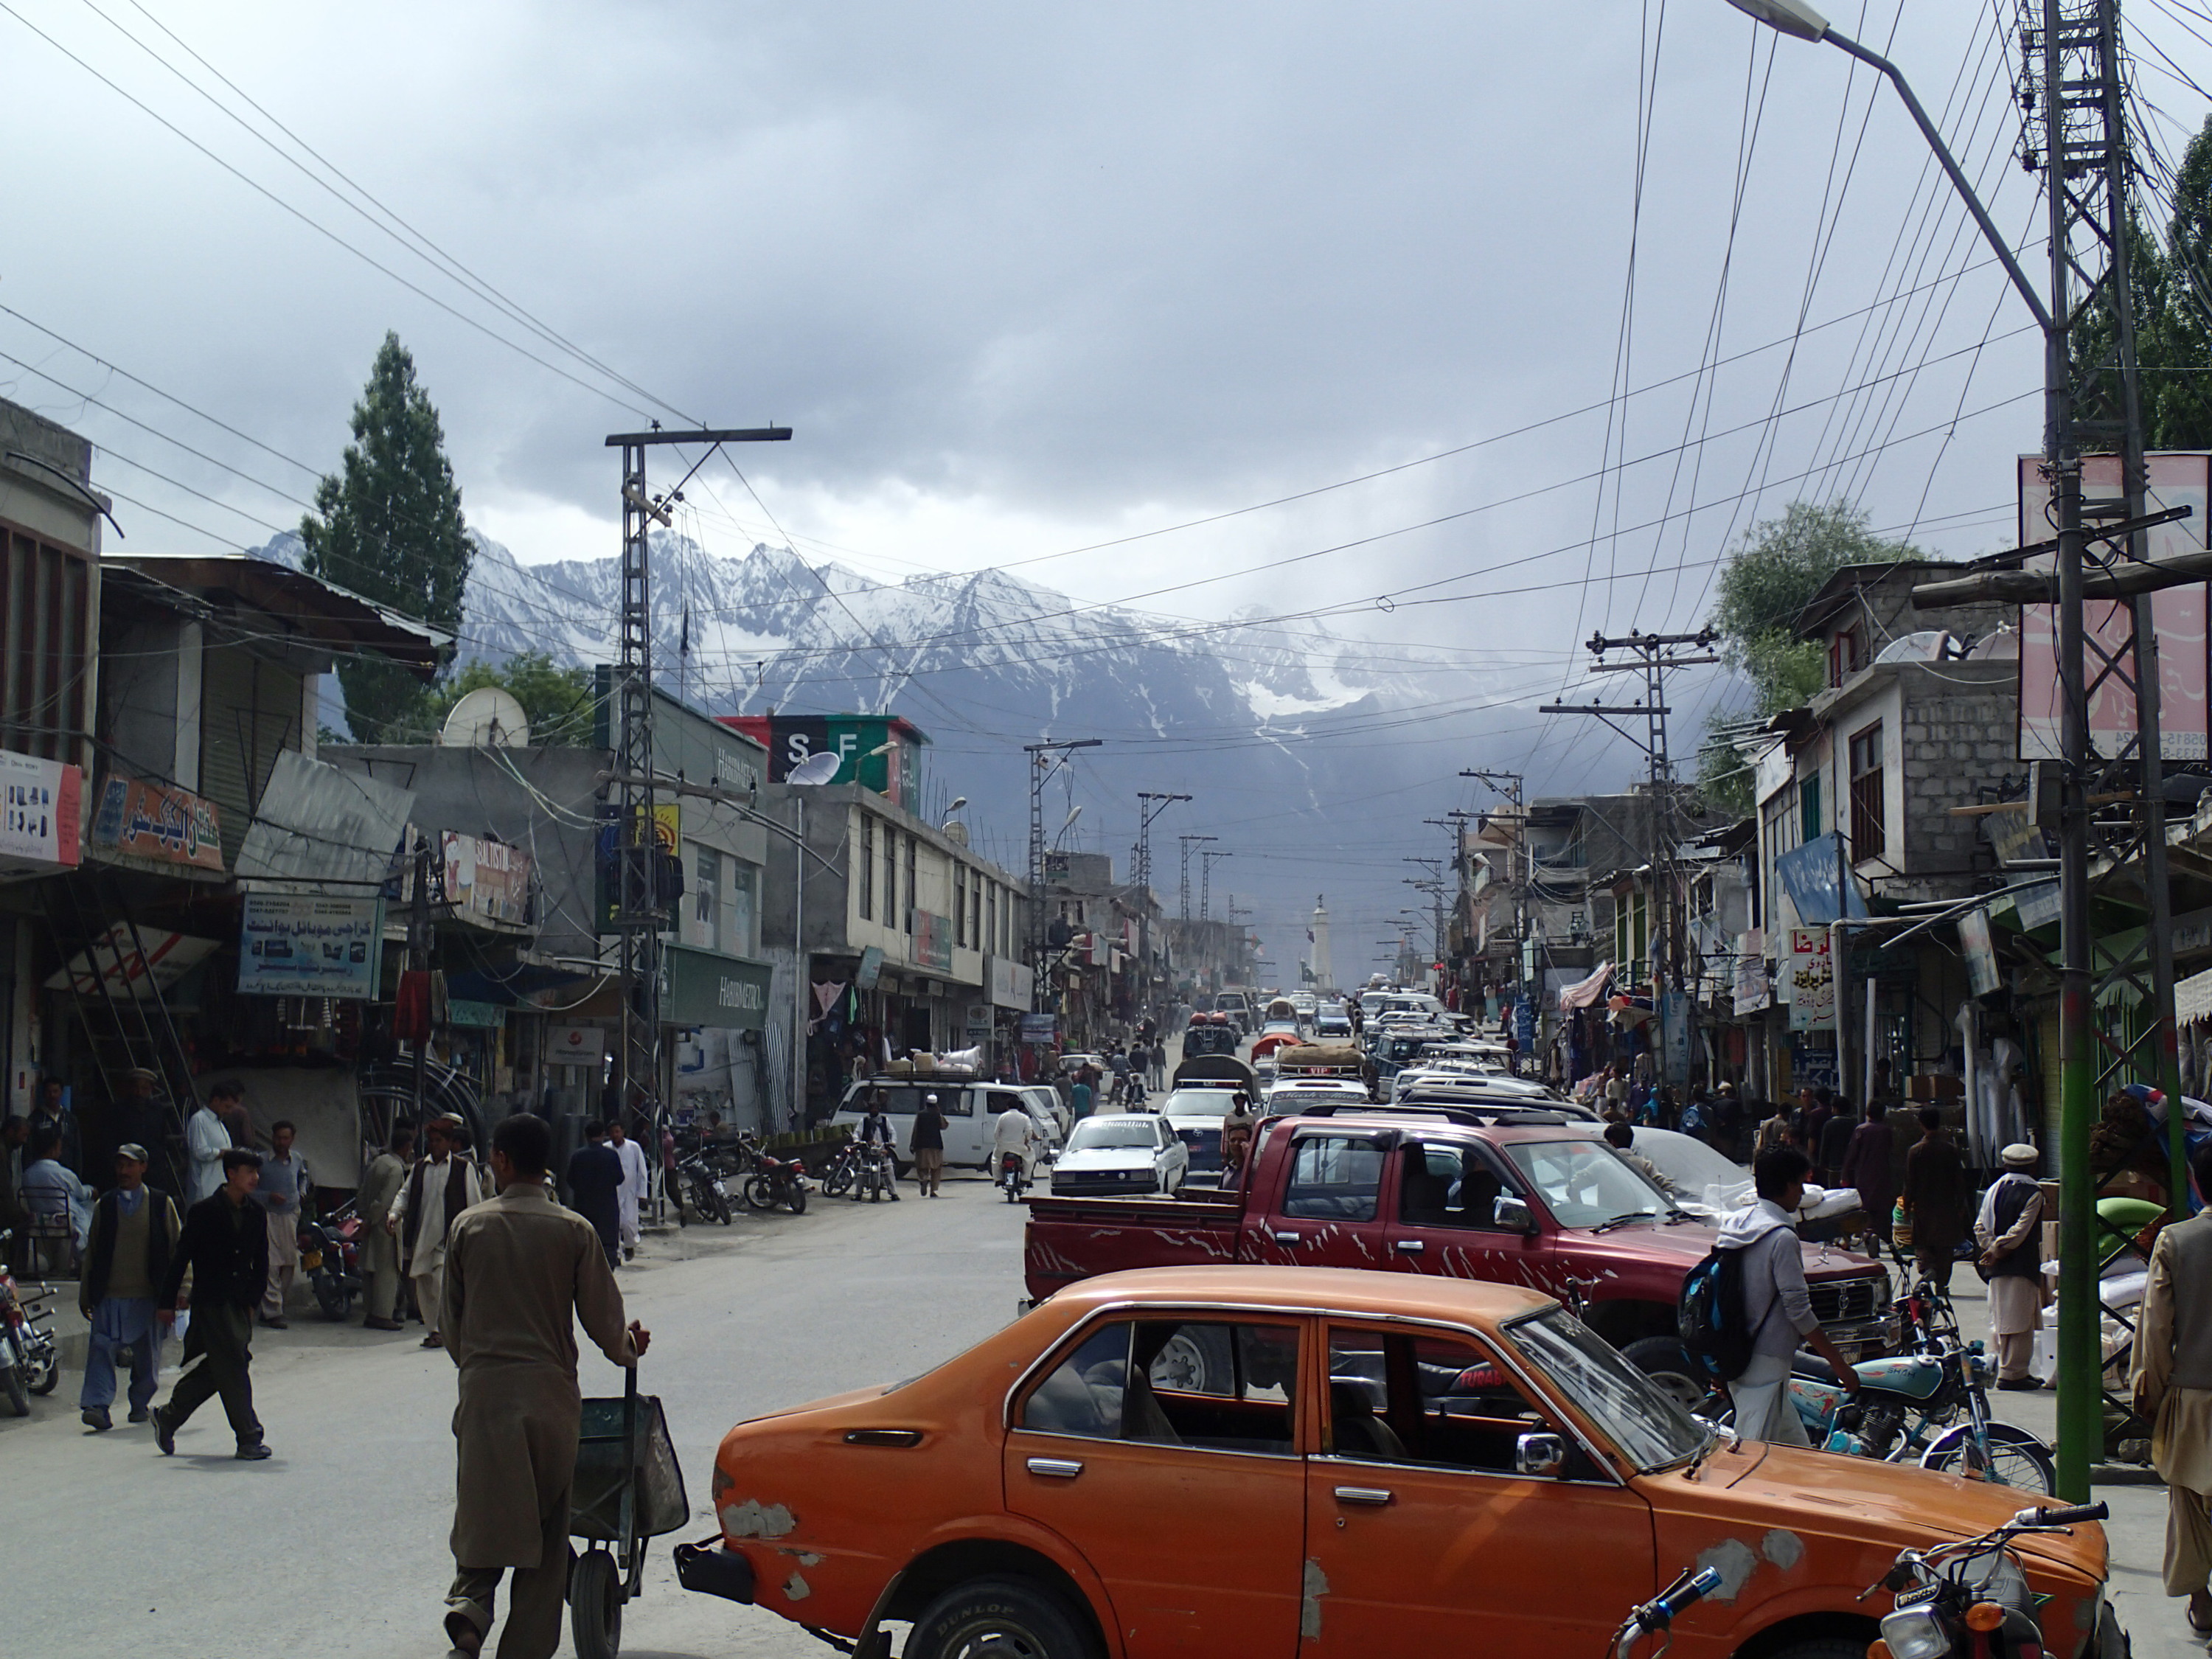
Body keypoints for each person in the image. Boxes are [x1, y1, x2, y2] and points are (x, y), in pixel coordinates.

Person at [440, 1113, 648, 1659]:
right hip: (552, 1403)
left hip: (486, 1398)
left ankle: (467, 1624)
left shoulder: (469, 1227)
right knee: (547, 1535)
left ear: (504, 1161)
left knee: (483, 1519)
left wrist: (481, 1370)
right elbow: (606, 1323)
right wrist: (628, 1348)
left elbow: (450, 1323)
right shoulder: (574, 1231)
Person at [1717, 1148, 1862, 1442]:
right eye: (1799, 1184)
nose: (1802, 1192)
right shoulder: (1781, 1238)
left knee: (1796, 1451)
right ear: (1785, 1185)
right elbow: (1798, 1310)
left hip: (1734, 1350)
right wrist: (1839, 1364)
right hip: (1767, 1360)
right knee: (1753, 1455)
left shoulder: (1736, 1225)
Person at [2131, 1144, 2212, 1635]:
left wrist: (2150, 1391)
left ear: (2197, 1183)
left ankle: (2202, 1603)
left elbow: (2156, 1329)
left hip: (2194, 1398)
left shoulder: (2177, 1242)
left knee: (2188, 1506)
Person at [153, 1147, 271, 1460]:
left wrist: (252, 1301)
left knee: (224, 1364)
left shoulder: (257, 1213)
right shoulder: (204, 1211)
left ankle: (169, 1415)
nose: (255, 1178)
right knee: (233, 1362)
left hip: (239, 1302)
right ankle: (249, 1437)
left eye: (256, 1173)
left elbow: (261, 1262)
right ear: (231, 1174)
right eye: (249, 1172)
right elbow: (181, 1258)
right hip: (211, 1302)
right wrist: (167, 1301)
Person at [78, 1142, 181, 1431]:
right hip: (110, 1294)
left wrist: (182, 1289)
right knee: (101, 1347)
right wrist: (86, 1294)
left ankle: (139, 1403)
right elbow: (93, 1253)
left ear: (143, 1168)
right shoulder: (106, 1205)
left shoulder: (161, 1204)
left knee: (147, 1356)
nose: (124, 1171)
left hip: (148, 1295)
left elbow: (178, 1249)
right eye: (120, 1165)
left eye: (130, 1165)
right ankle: (97, 1406)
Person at [392, 1116, 484, 1349]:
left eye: (438, 1140)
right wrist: (394, 1214)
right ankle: (433, 1330)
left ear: (449, 1142)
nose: (434, 1145)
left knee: (440, 1285)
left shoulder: (464, 1169)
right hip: (422, 1237)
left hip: (448, 1239)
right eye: (431, 1140)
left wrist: (473, 1236)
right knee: (424, 1286)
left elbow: (474, 1203)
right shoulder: (420, 1167)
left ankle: (443, 1330)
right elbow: (405, 1194)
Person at [1975, 1141, 2046, 1391]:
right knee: (2018, 1321)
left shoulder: (1994, 1190)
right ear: (2033, 1166)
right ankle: (2012, 1374)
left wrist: (1991, 1248)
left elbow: (1980, 1226)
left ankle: (2014, 1370)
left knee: (2004, 1318)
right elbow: (2020, 1231)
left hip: (1997, 1266)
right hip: (2020, 1264)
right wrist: (1998, 1249)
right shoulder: (2034, 1193)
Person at [1901, 1106, 1969, 1291]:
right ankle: (1942, 1284)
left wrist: (1907, 1207)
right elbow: (1959, 1180)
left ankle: (1928, 1268)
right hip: (1946, 1206)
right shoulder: (1950, 1150)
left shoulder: (1916, 1151)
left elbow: (1910, 1182)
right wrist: (1961, 1204)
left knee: (1923, 1243)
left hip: (1923, 1207)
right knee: (1946, 1249)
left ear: (1921, 1124)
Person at [255, 1119, 311, 1329]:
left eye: (285, 1138)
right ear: (273, 1138)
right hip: (268, 1216)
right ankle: (273, 1313)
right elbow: (249, 1189)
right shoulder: (261, 1161)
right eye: (278, 1137)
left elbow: (303, 1177)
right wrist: (268, 1196)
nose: (281, 1141)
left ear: (292, 1139)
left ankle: (276, 1306)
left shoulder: (296, 1159)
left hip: (290, 1217)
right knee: (270, 1264)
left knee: (289, 1262)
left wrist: (301, 1194)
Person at [358, 1124, 414, 1330]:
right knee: (387, 1272)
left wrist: (364, 1217)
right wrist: (371, 1220)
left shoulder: (378, 1162)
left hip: (372, 1222)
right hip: (386, 1224)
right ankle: (382, 1315)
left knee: (371, 1269)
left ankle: (372, 1312)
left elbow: (363, 1193)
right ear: (407, 1147)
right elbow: (385, 1201)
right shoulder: (395, 1169)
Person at [20, 1124, 93, 1262]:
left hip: (39, 1222)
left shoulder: (27, 1174)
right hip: (66, 1221)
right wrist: (91, 1190)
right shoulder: (63, 1173)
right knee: (90, 1208)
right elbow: (81, 1193)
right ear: (53, 1149)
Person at [1840, 1099, 1896, 1253]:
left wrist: (1845, 1174)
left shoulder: (1861, 1130)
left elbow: (1852, 1155)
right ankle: (1877, 1234)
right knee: (1881, 1209)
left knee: (1865, 1208)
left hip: (1863, 1176)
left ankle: (1868, 1233)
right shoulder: (1887, 1131)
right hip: (1883, 1175)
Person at [565, 1122, 624, 1267]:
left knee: (585, 1244)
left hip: (584, 1207)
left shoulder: (578, 1156)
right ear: (603, 1135)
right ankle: (608, 1273)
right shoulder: (611, 1155)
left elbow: (570, 1180)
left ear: (586, 1136)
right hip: (607, 1208)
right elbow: (620, 1179)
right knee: (607, 1245)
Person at [606, 1115, 650, 1261]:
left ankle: (630, 1246)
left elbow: (642, 1171)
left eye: (617, 1132)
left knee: (629, 1223)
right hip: (611, 1192)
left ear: (623, 1132)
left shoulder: (634, 1147)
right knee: (614, 1224)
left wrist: (642, 1193)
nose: (615, 1135)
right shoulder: (606, 1148)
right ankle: (617, 1254)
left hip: (630, 1192)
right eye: (612, 1132)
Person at [185, 1085, 234, 1206]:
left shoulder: (220, 1124)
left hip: (219, 1186)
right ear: (216, 1100)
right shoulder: (199, 1119)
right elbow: (199, 1151)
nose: (229, 1111)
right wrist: (224, 1153)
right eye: (227, 1106)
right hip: (203, 1189)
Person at [1603, 1120, 1676, 1196]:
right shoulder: (1644, 1165)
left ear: (1612, 1142)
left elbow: (1589, 1180)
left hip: (1604, 1208)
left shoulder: (1602, 1165)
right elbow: (1667, 1186)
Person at [909, 1093, 947, 1197]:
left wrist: (913, 1144)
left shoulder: (920, 1115)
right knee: (936, 1169)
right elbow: (944, 1126)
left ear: (926, 1103)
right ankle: (933, 1191)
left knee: (922, 1167)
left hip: (922, 1145)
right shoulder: (938, 1115)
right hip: (936, 1145)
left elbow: (916, 1130)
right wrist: (939, 1113)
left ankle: (924, 1180)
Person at [992, 1099, 1038, 1185]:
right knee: (1030, 1158)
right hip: (1020, 1147)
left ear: (1007, 1107)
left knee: (995, 1160)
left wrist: (1000, 1142)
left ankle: (998, 1179)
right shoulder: (1024, 1118)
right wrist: (1026, 1142)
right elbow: (1029, 1132)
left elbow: (996, 1134)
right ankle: (1025, 1179)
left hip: (1003, 1147)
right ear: (1018, 1107)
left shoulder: (1002, 1117)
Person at [1816, 1089, 1854, 1191]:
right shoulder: (1854, 1124)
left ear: (1836, 1109)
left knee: (1834, 1193)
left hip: (1834, 1167)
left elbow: (1824, 1146)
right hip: (1852, 1167)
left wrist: (1822, 1164)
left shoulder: (1829, 1125)